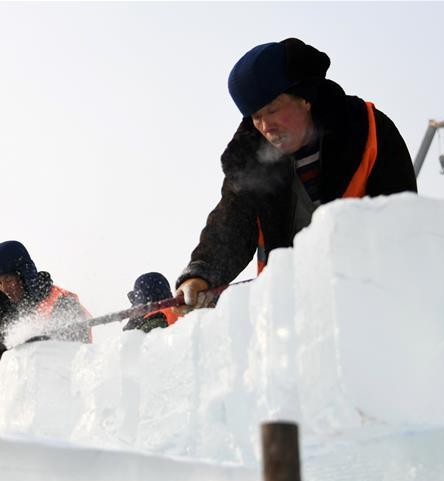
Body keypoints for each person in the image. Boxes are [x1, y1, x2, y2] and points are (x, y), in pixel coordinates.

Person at [176, 38, 417, 308]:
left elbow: (401, 224)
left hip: (364, 301)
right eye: (256, 117)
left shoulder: (368, 131)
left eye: (273, 109)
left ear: (305, 98)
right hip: (285, 312)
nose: (266, 126)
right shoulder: (250, 161)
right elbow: (232, 224)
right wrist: (201, 273)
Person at [0, 240, 91, 394]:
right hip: (22, 399)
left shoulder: (62, 301)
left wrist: (43, 347)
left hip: (62, 394)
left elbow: (78, 352)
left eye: (8, 280)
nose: (4, 288)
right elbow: (2, 357)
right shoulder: (9, 315)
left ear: (24, 274)